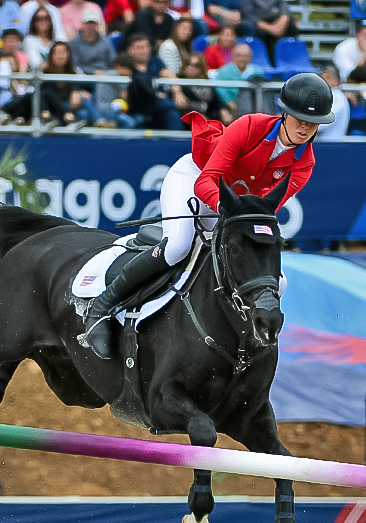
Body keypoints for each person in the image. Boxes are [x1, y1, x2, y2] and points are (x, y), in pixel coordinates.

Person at [78, 72, 331, 360]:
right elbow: (206, 181)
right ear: (284, 113)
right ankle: (102, 306)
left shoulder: (305, 164)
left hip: (234, 208)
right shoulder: (249, 126)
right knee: (178, 247)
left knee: (277, 280)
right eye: (299, 118)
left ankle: (243, 334)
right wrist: (227, 211)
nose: (305, 127)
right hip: (195, 179)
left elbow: (263, 211)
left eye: (313, 122)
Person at [171, 51, 229, 122]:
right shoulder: (179, 82)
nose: (191, 68)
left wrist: (223, 110)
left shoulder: (207, 83)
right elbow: (183, 104)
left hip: (210, 117)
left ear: (202, 68)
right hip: (189, 118)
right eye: (188, 64)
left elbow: (216, 102)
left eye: (196, 66)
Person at [214, 40, 263, 116]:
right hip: (230, 108)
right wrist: (231, 105)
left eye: (246, 56)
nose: (242, 59)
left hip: (254, 109)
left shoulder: (258, 72)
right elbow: (221, 92)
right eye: (239, 55)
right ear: (233, 56)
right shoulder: (223, 72)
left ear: (251, 57)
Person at [316, 64, 349, 139]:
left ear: (337, 81)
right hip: (320, 141)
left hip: (331, 142)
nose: (324, 81)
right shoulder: (324, 96)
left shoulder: (338, 98)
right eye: (322, 78)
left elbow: (326, 120)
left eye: (328, 78)